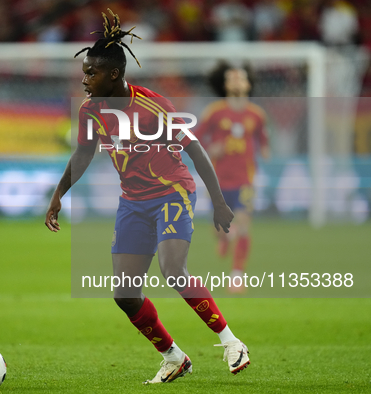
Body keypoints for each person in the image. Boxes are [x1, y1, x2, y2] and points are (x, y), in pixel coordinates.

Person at [44, 9, 249, 384]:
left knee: (173, 270)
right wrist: (59, 196)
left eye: (91, 73)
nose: (85, 79)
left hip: (172, 193)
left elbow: (196, 150)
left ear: (114, 75)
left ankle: (231, 341)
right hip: (133, 203)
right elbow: (84, 153)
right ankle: (173, 356)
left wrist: (218, 201)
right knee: (124, 294)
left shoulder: (154, 105)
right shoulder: (91, 111)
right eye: (84, 71)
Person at [195, 60, 270, 293]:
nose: (237, 80)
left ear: (248, 84)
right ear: (225, 84)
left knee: (244, 224)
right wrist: (211, 148)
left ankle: (237, 276)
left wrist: (265, 151)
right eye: (232, 77)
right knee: (220, 230)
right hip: (217, 180)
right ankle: (224, 239)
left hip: (245, 180)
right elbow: (195, 139)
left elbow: (264, 141)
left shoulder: (257, 114)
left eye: (241, 77)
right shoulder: (215, 112)